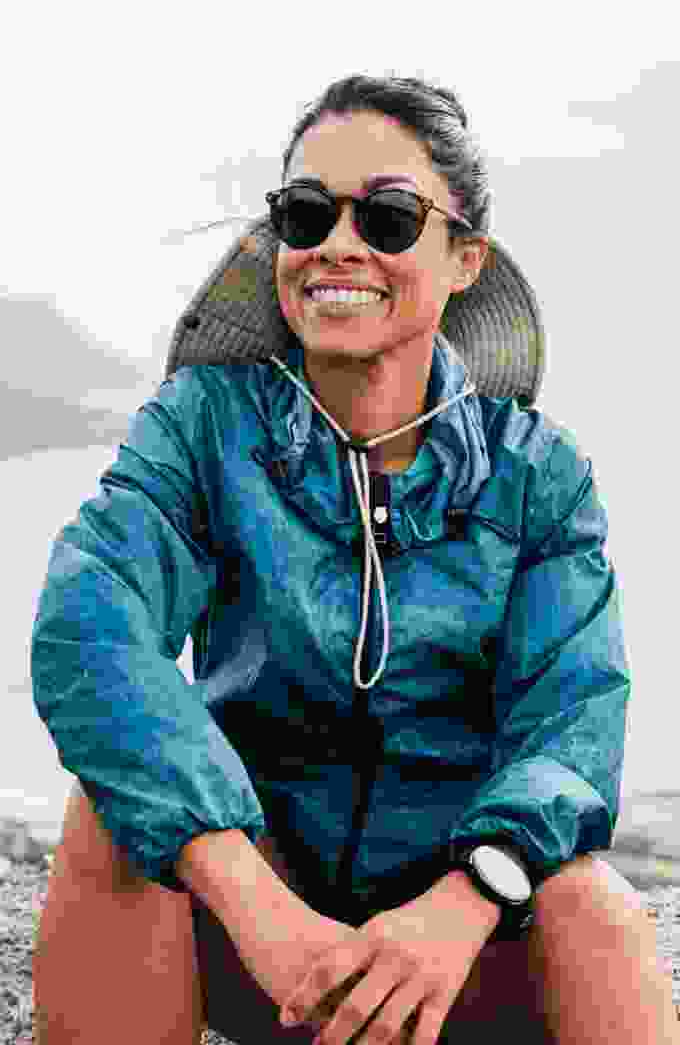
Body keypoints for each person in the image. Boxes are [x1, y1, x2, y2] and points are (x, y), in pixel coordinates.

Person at [31, 74, 677, 1045]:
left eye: (387, 216)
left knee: (596, 910)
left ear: (463, 258)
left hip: (456, 955)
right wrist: (254, 901)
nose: (338, 244)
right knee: (108, 819)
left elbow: (572, 722)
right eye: (306, 212)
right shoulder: (202, 428)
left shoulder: (540, 476)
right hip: (263, 938)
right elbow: (90, 625)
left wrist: (465, 899)